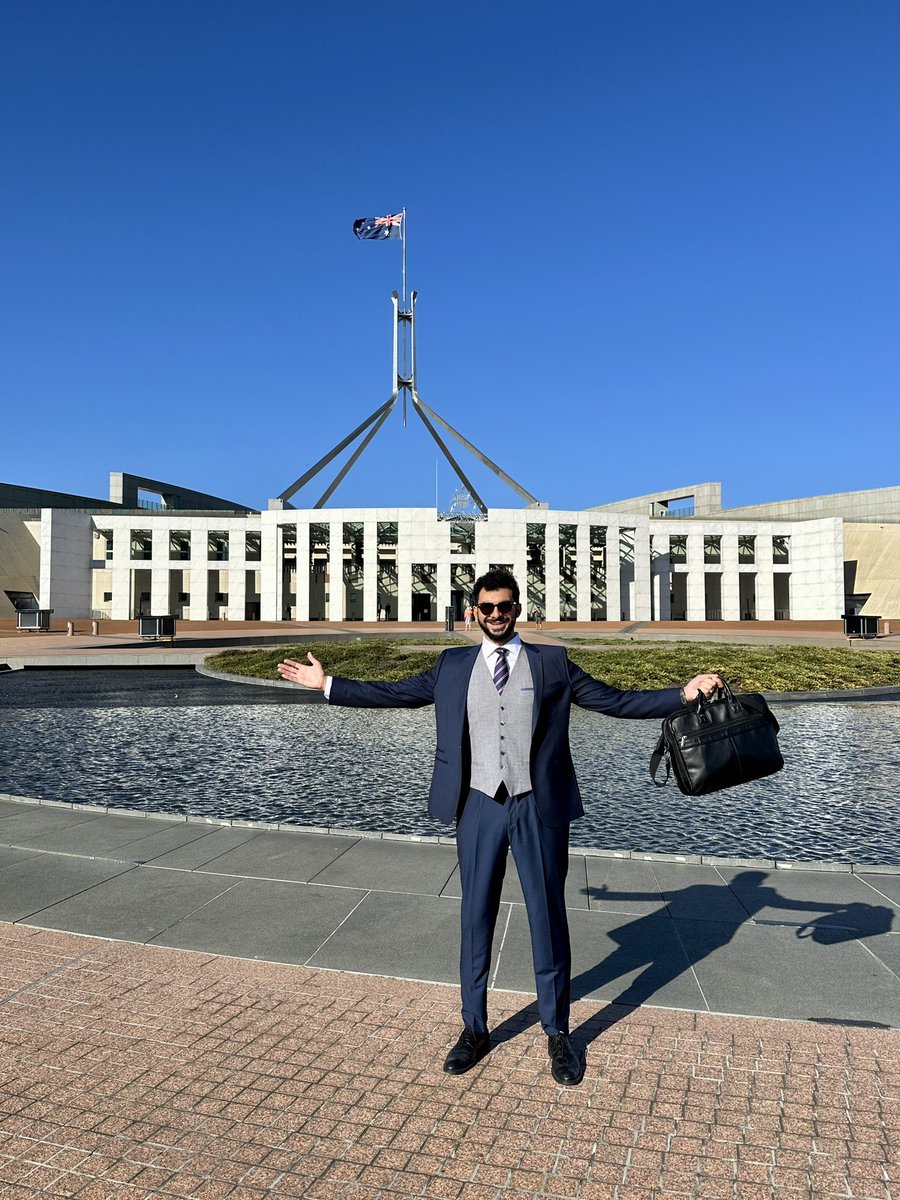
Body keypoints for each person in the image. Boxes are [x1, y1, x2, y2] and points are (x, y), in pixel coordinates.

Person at [277, 569, 722, 1086]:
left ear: (517, 609)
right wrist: (327, 684)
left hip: (538, 806)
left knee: (547, 917)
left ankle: (558, 1033)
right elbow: (394, 694)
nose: (495, 615)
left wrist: (683, 694)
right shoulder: (452, 666)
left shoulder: (552, 662)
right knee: (475, 916)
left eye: (504, 606)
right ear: (474, 611)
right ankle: (474, 1028)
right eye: (486, 607)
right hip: (478, 804)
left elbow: (617, 701)